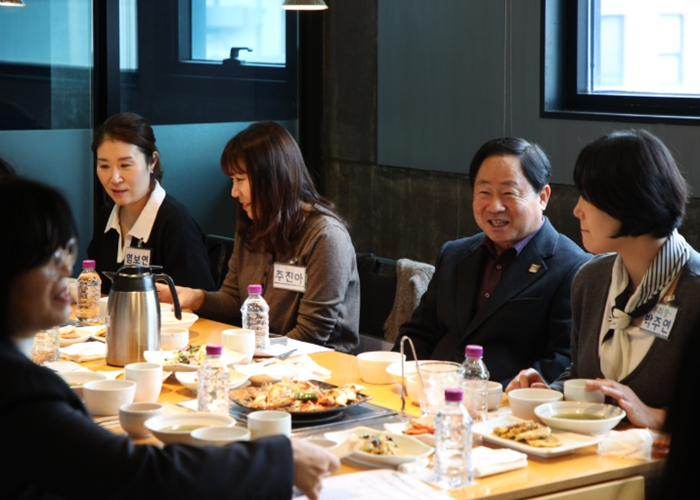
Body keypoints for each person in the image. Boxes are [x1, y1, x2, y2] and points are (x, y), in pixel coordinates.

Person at [0, 176, 339, 500]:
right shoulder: (19, 390)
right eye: (48, 257)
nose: (66, 270)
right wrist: (276, 461)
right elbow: (138, 477)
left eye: (66, 251)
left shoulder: (322, 234)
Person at [506, 130, 700, 430]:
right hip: (593, 451)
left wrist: (656, 416)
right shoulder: (591, 278)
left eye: (589, 197)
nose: (577, 210)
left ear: (630, 200)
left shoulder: (694, 290)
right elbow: (583, 374)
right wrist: (551, 392)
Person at [395, 138, 590, 386]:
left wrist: (502, 395)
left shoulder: (573, 267)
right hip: (429, 395)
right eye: (484, 193)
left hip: (506, 403)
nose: (495, 206)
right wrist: (396, 380)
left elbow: (564, 360)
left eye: (509, 193)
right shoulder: (454, 254)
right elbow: (419, 334)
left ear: (543, 197)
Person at [158, 121, 360, 353]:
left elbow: (310, 335)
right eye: (232, 180)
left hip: (319, 365)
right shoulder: (252, 226)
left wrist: (247, 353)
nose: (234, 192)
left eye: (240, 180)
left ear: (272, 177)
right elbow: (235, 301)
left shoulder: (326, 237)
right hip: (262, 356)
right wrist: (193, 297)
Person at [87, 112, 215, 294]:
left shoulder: (175, 222)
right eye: (104, 166)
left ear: (152, 161)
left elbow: (197, 302)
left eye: (125, 165)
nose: (114, 178)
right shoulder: (106, 215)